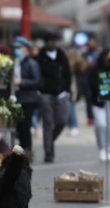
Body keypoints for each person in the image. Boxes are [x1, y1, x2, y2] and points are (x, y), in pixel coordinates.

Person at [36, 34, 72, 163]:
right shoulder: (40, 57)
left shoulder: (61, 55)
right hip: (46, 94)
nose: (52, 43)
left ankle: (49, 141)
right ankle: (49, 152)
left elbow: (68, 74)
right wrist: (40, 90)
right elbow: (37, 75)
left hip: (61, 94)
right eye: (50, 41)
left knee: (62, 121)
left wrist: (67, 91)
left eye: (54, 41)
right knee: (47, 124)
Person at [13, 36, 42, 162]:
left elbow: (37, 81)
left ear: (26, 49)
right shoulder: (15, 62)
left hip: (28, 100)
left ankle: (27, 153)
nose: (17, 50)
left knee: (26, 128)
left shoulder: (32, 63)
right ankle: (21, 153)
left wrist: (22, 82)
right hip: (17, 99)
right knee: (19, 128)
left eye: (19, 48)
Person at [89, 47, 110, 163]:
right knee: (101, 125)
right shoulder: (95, 69)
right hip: (98, 101)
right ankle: (102, 148)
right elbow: (91, 84)